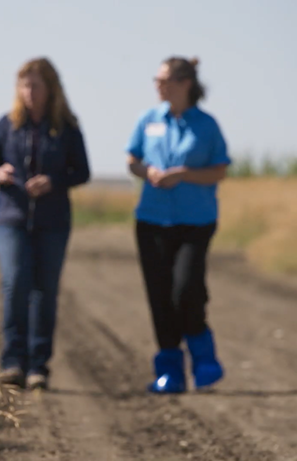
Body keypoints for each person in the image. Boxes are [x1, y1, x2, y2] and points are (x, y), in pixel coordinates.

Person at [0, 57, 90, 390]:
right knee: (15, 284)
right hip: (11, 217)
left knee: (45, 291)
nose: (29, 91)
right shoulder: (6, 125)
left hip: (53, 220)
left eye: (36, 85)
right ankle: (12, 361)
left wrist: (54, 181)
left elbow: (82, 172)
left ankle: (38, 365)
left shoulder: (67, 127)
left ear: (50, 88)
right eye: (24, 85)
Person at [126, 57, 230, 393]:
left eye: (164, 79)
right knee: (159, 295)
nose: (158, 85)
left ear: (185, 83)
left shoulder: (207, 125)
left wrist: (184, 175)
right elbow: (133, 159)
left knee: (186, 289)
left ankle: (204, 355)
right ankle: (169, 370)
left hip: (195, 221)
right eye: (156, 79)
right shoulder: (148, 119)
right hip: (152, 220)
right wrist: (149, 173)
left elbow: (219, 170)